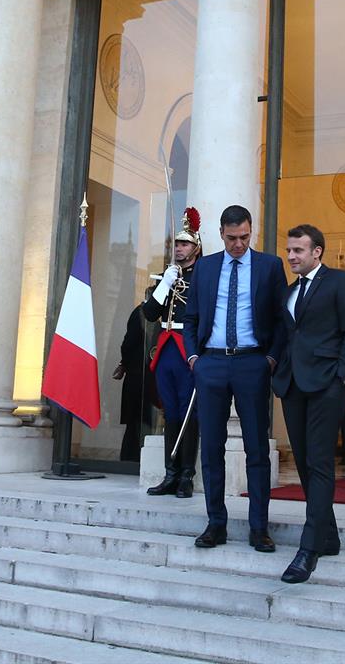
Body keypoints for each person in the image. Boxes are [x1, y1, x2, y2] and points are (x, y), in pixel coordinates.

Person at [182, 205, 288, 553]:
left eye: (244, 237)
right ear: (221, 234)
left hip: (252, 364)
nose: (238, 245)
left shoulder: (270, 267)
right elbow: (192, 317)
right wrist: (194, 358)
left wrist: (269, 358)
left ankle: (260, 528)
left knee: (256, 449)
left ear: (251, 231)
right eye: (231, 239)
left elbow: (280, 319)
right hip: (210, 364)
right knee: (211, 448)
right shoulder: (206, 267)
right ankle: (216, 524)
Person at [272, 224, 345, 584]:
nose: (292, 256)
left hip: (327, 384)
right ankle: (329, 536)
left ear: (317, 252)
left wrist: (342, 377)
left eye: (298, 250)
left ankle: (308, 550)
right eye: (289, 250)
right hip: (293, 385)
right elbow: (288, 336)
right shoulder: (290, 292)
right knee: (305, 466)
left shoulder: (340, 282)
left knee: (320, 463)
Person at [142, 208, 203, 497]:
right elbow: (150, 313)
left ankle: (187, 475)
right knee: (171, 413)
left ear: (196, 247)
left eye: (185, 244)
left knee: (189, 414)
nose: (179, 248)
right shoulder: (166, 276)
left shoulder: (202, 276)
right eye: (177, 244)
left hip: (187, 348)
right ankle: (170, 473)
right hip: (166, 348)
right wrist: (164, 284)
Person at [112, 297, 156, 463]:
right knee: (135, 424)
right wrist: (125, 363)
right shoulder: (140, 313)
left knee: (140, 424)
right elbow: (128, 344)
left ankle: (135, 459)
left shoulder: (150, 315)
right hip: (139, 377)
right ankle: (130, 459)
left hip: (146, 377)